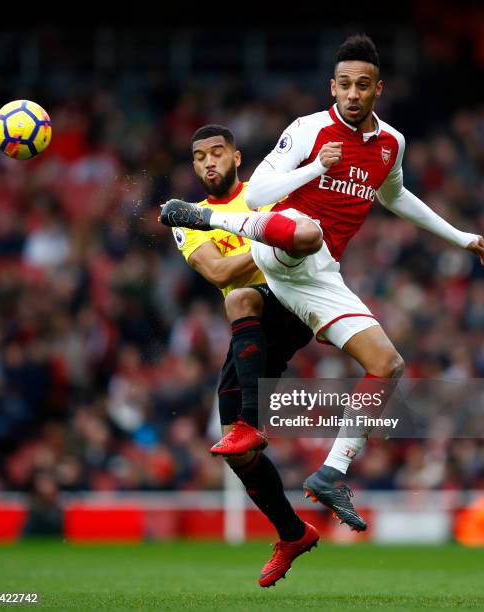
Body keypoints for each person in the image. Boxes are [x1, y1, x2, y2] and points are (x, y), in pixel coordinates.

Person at [161, 34, 484, 532]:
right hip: (281, 242)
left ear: (378, 89)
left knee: (389, 364)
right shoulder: (308, 130)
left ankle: (332, 473)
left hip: (318, 274)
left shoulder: (392, 143)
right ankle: (205, 219)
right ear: (331, 87)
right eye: (344, 85)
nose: (352, 94)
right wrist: (318, 166)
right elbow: (260, 194)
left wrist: (459, 236)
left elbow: (397, 197)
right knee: (305, 232)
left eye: (362, 85)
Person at [168, 124, 318, 588]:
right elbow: (216, 271)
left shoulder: (264, 190)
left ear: (236, 157)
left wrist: (268, 239)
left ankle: (253, 423)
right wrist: (267, 237)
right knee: (235, 449)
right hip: (252, 331)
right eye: (199, 157)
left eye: (217, 153)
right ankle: (293, 533)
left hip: (288, 301)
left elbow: (300, 238)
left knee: (239, 299)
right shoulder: (187, 216)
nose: (208, 162)